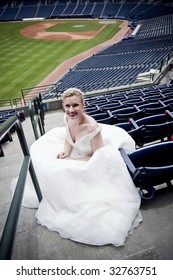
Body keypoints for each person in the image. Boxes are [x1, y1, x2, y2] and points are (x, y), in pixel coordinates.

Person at [11, 88, 142, 246]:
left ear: (83, 105)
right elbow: (68, 136)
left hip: (93, 159)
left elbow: (99, 157)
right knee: (41, 155)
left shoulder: (91, 127)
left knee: (62, 169)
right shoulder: (67, 117)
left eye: (75, 105)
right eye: (67, 106)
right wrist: (66, 153)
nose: (71, 110)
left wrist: (73, 160)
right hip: (78, 153)